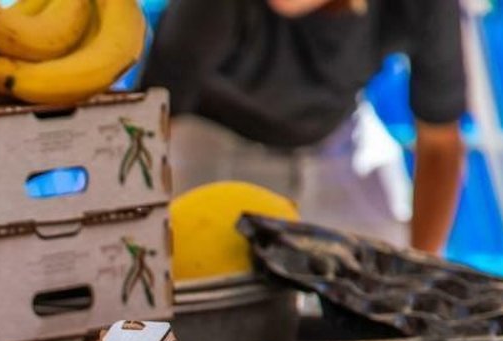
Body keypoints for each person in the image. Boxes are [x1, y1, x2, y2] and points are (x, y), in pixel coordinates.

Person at [142, 0, 467, 254]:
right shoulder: (208, 9)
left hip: (342, 136)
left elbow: (440, 140)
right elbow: (149, 127)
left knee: (387, 291)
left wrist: (419, 265)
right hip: (214, 138)